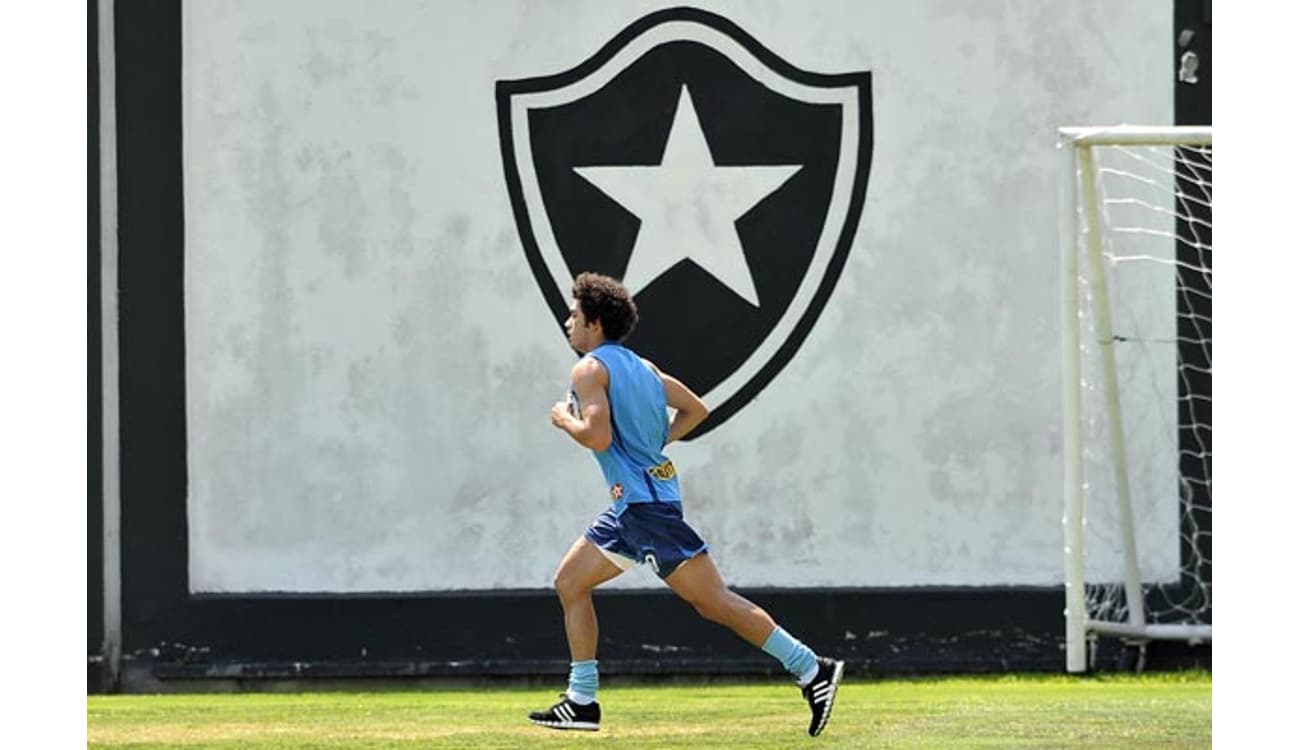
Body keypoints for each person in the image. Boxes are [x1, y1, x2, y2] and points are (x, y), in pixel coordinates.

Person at [528, 272, 844, 737]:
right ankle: (582, 701)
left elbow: (597, 436)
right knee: (570, 581)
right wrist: (656, 442)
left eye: (574, 314)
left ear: (594, 322)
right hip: (634, 508)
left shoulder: (589, 369)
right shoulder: (646, 369)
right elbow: (697, 409)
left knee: (714, 602)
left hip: (644, 510)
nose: (568, 321)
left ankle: (811, 668)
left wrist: (563, 420)